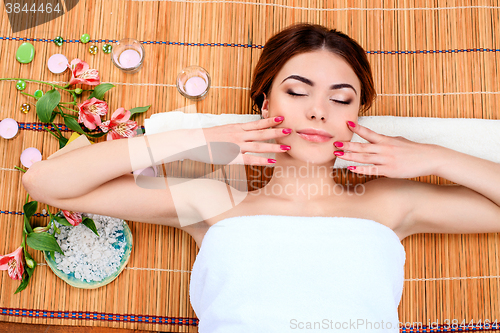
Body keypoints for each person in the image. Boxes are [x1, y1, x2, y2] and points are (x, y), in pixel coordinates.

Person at [22, 23, 500, 332]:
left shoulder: (390, 204)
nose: (318, 112)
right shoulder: (215, 201)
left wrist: (436, 158)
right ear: (266, 105)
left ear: (358, 114)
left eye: (342, 99)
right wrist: (196, 143)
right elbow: (45, 183)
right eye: (298, 92)